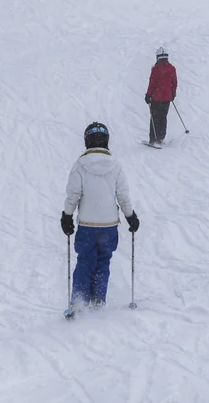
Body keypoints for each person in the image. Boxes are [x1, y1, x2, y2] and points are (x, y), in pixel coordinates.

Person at [60, 122, 140, 312]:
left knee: (85, 260)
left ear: (87, 140)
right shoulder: (115, 165)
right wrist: (131, 216)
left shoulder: (80, 164)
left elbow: (73, 195)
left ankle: (79, 301)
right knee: (103, 260)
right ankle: (98, 299)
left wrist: (67, 216)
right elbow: (123, 196)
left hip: (87, 224)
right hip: (109, 225)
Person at [145, 47, 178, 145]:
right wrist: (173, 94)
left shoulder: (155, 69)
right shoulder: (172, 68)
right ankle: (160, 138)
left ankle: (152, 139)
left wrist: (148, 95)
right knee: (163, 117)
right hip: (167, 98)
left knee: (155, 118)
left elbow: (152, 83)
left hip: (156, 97)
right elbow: (174, 83)